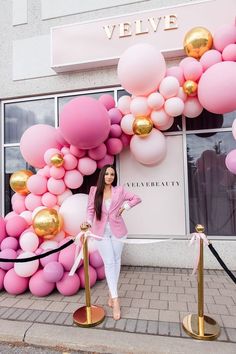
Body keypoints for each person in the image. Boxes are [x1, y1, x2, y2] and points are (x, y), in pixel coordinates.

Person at [81, 164, 141, 320]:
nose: (109, 176)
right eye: (107, 174)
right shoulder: (95, 191)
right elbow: (90, 210)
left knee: (116, 260)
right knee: (109, 263)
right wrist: (88, 222)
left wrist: (126, 206)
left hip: (118, 232)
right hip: (100, 233)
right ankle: (115, 299)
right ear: (103, 175)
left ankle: (110, 292)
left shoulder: (119, 191)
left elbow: (137, 198)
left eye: (112, 174)